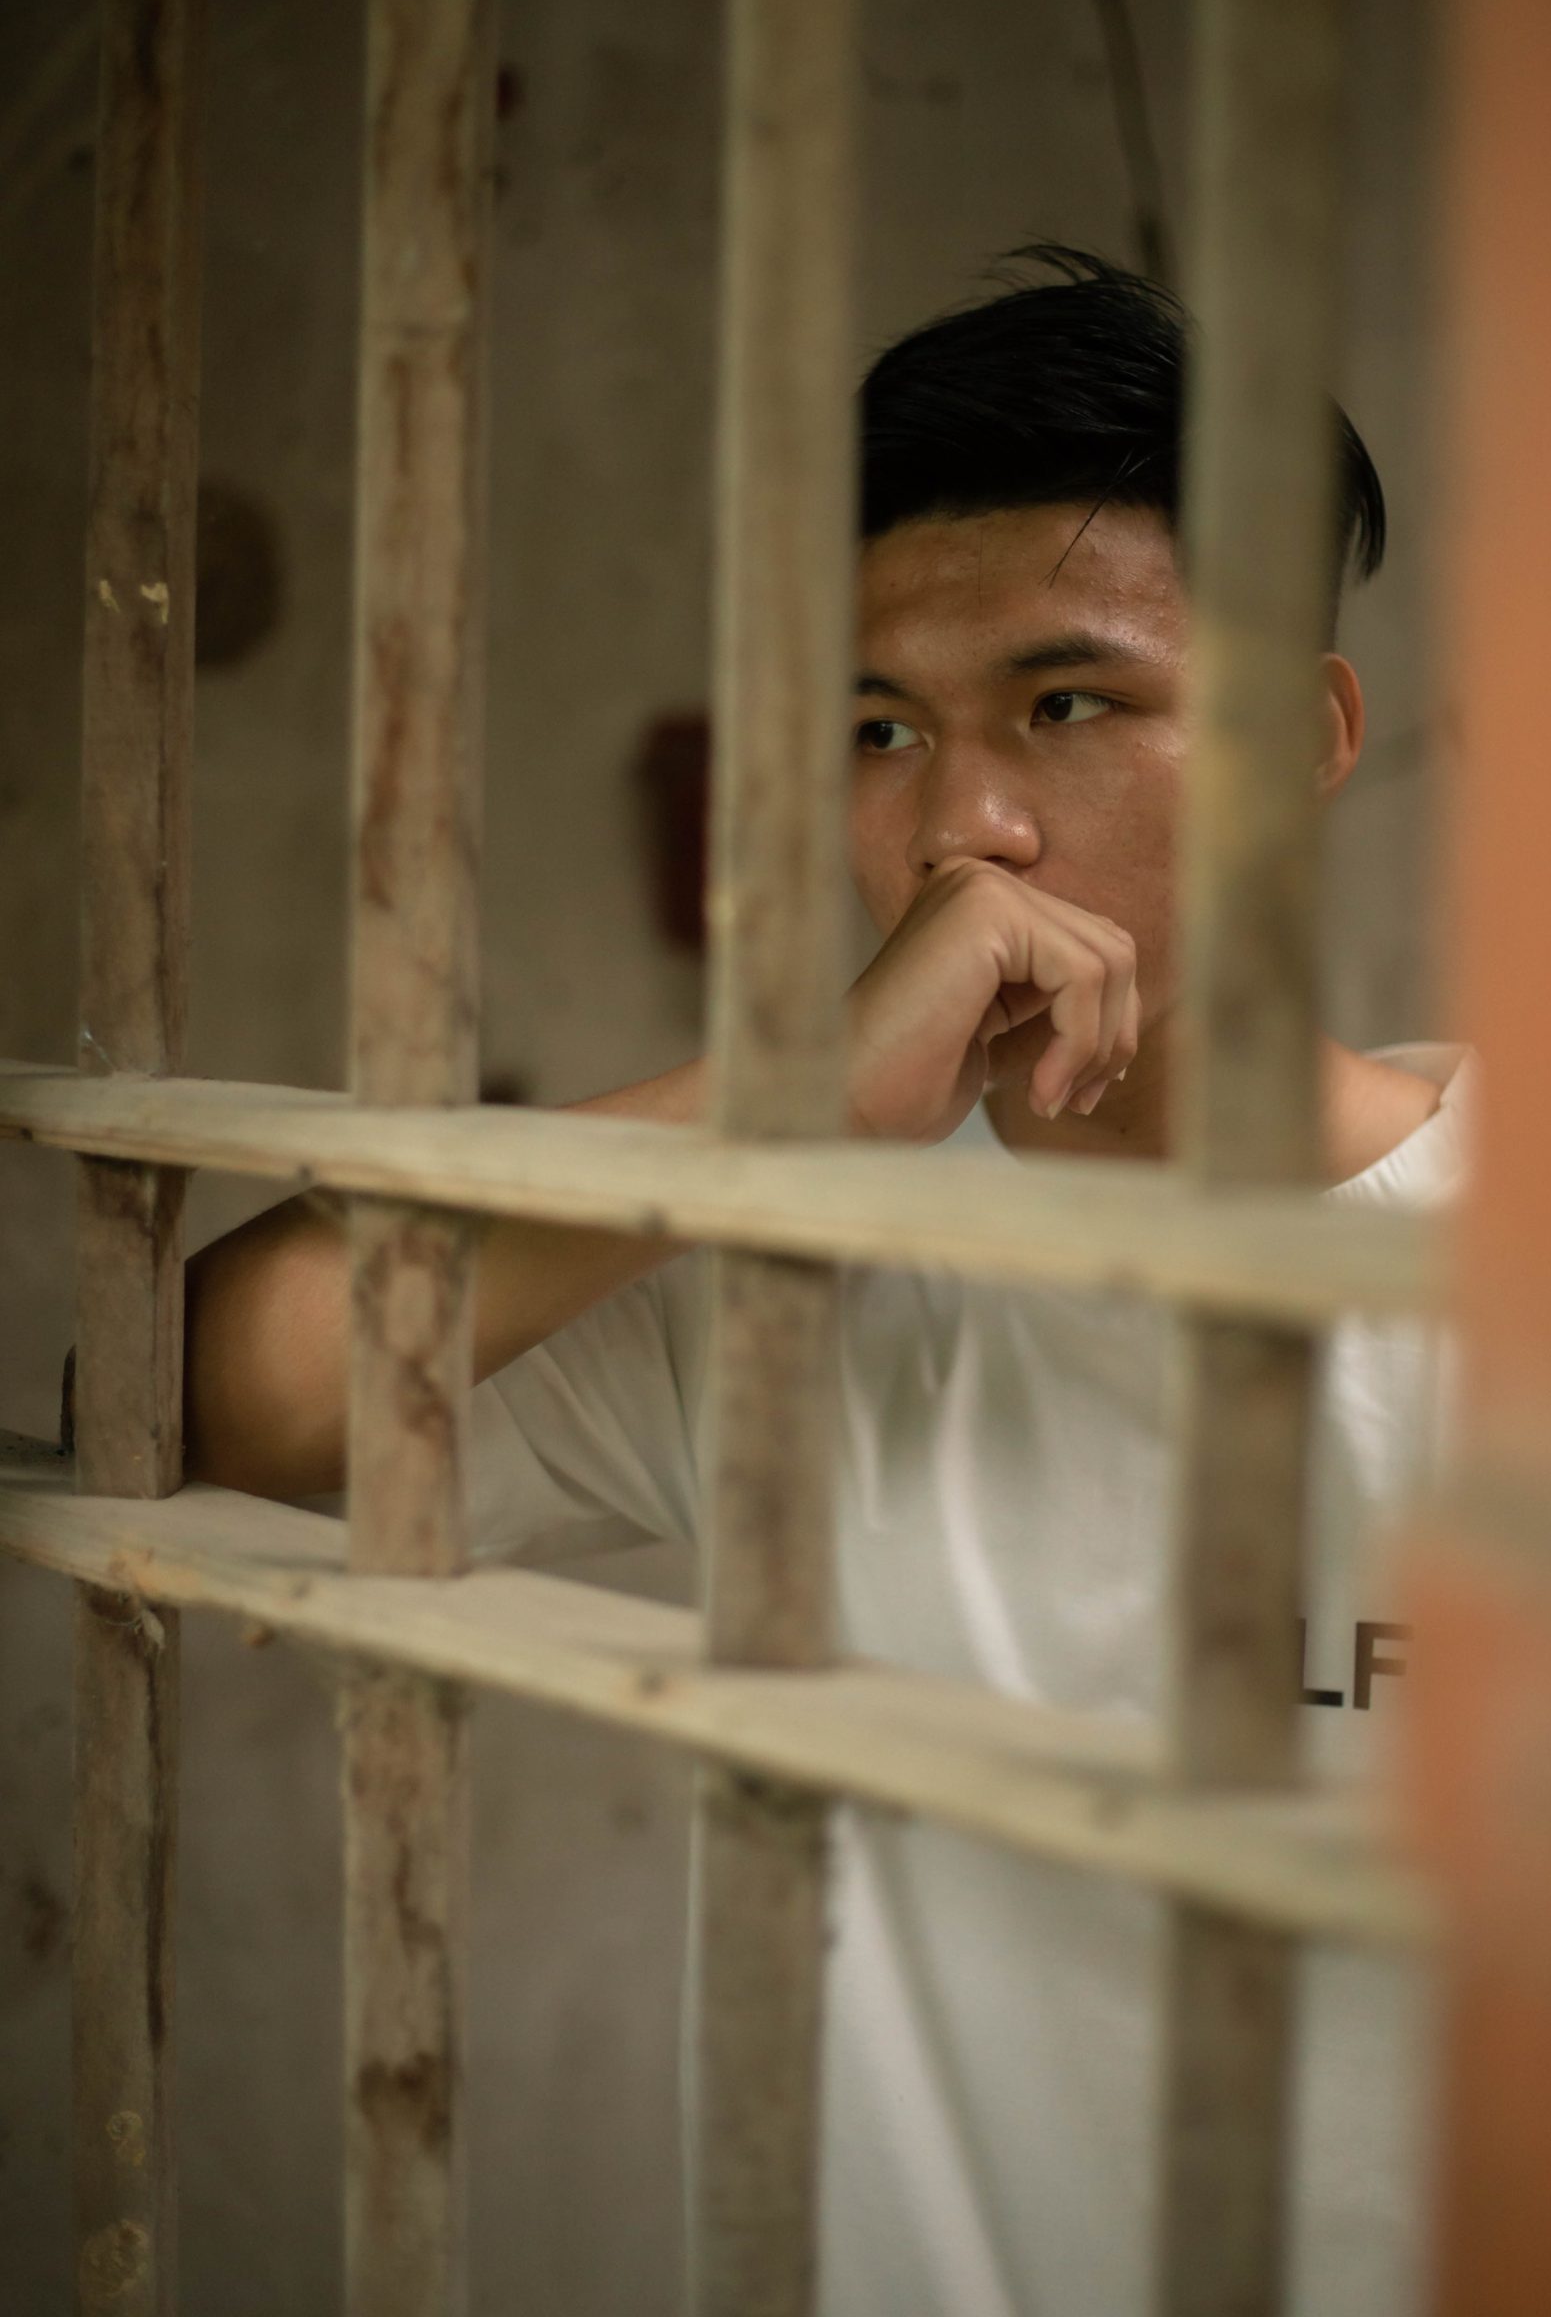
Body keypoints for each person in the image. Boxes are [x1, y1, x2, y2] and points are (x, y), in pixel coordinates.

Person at [187, 246, 1469, 2316]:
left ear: (1310, 739)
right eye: (880, 727)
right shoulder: (789, 1257)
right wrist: (790, 1108)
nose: (964, 827)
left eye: (1070, 703)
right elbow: (222, 1399)